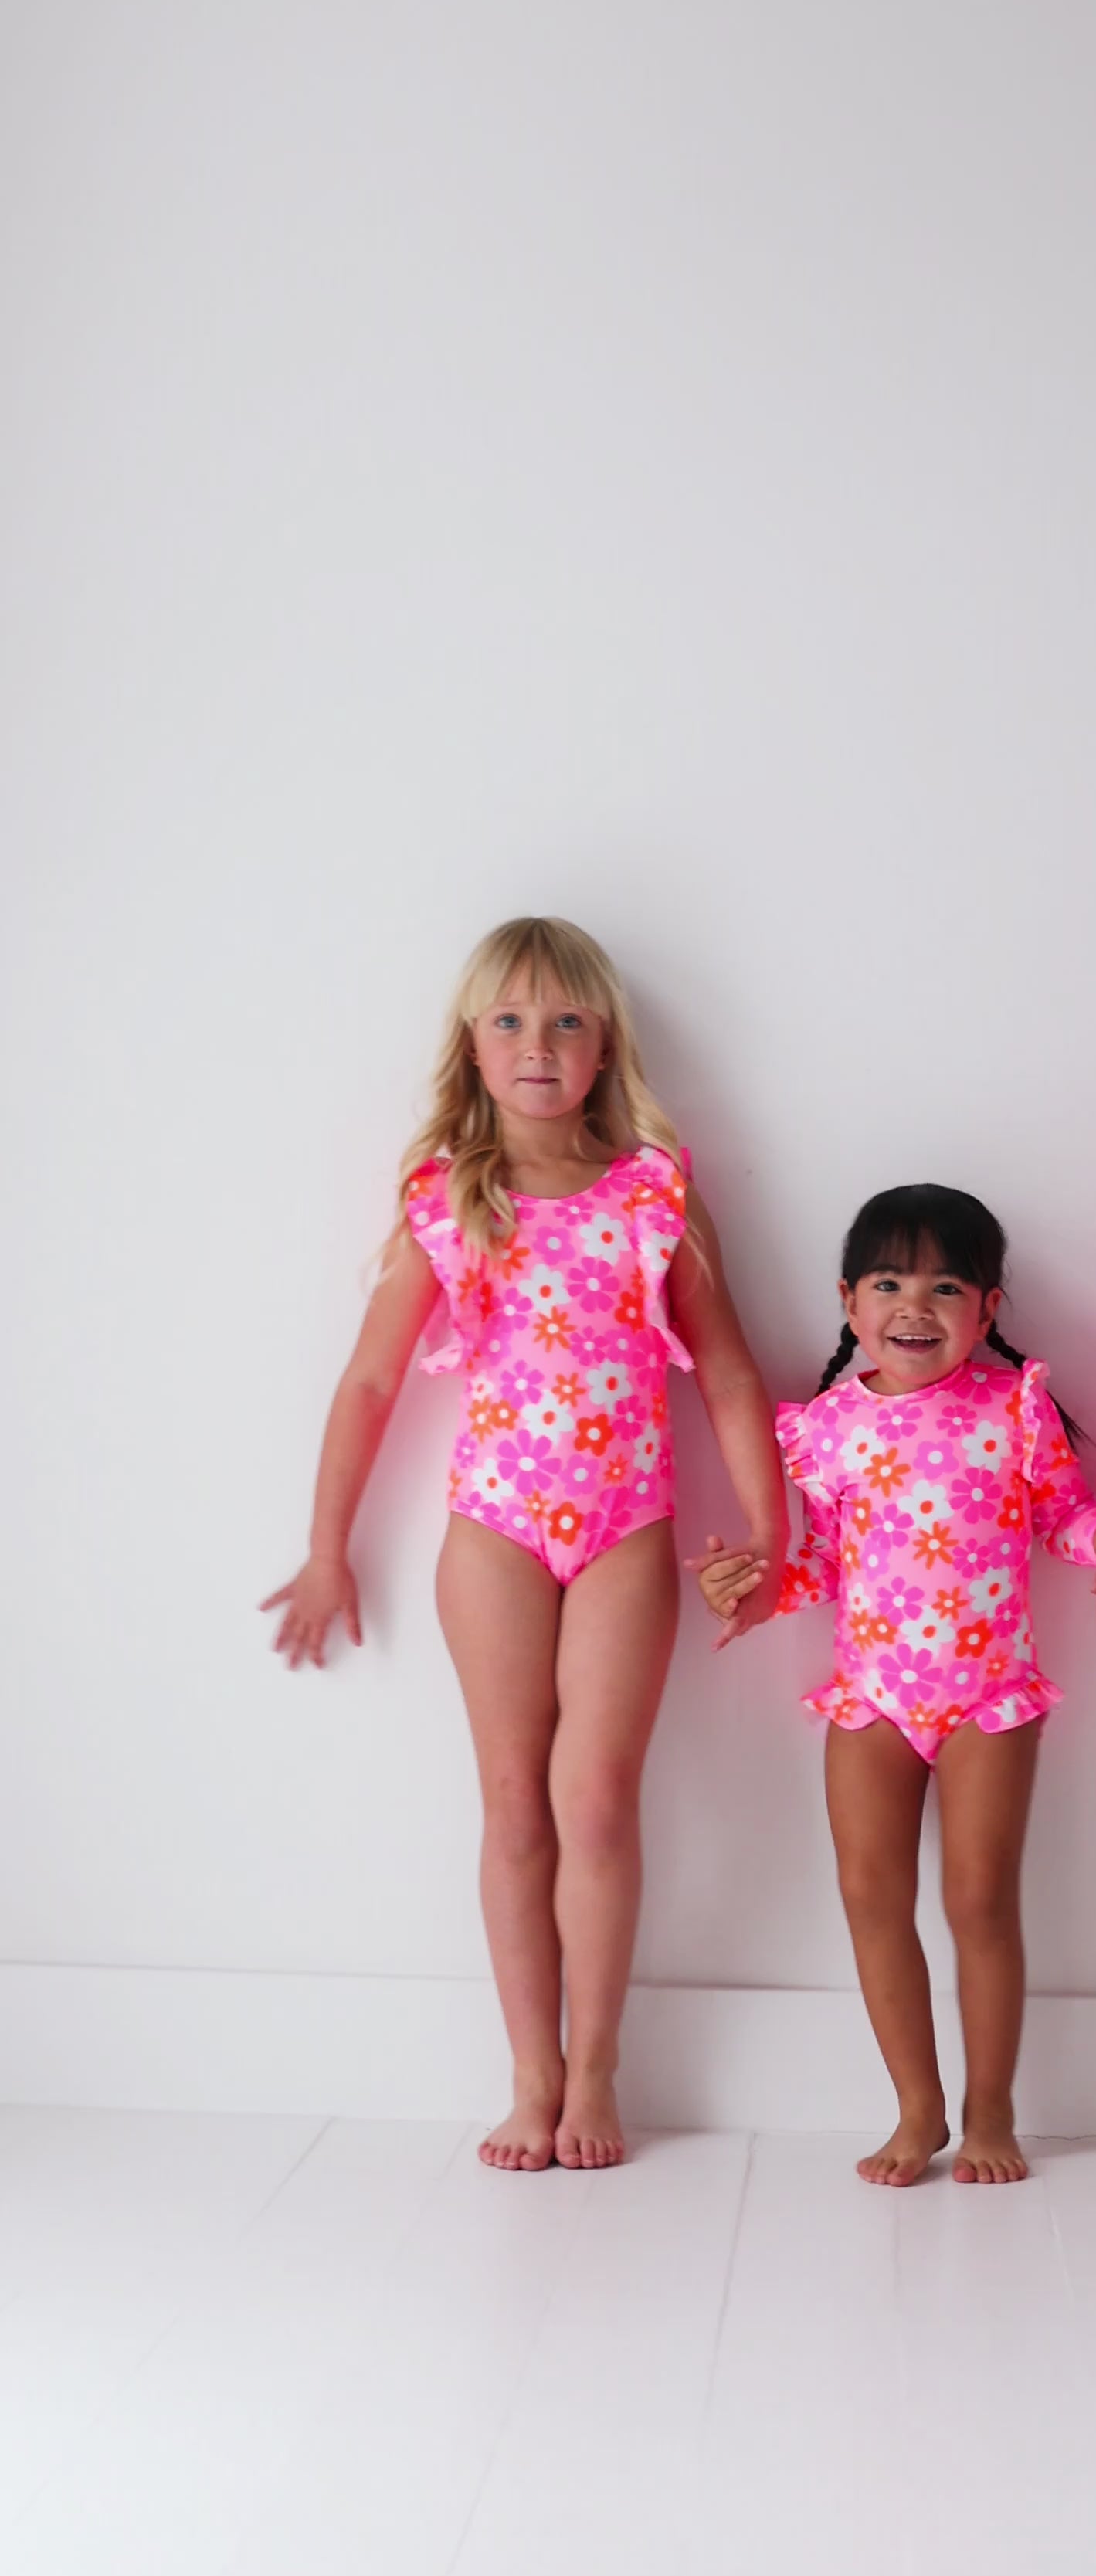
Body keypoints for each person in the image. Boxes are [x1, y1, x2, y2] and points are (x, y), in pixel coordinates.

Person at [263, 916, 786, 2172]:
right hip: (494, 1529)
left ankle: (595, 2068)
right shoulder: (453, 1198)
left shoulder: (656, 1194)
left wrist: (775, 1534)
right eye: (509, 1021)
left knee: (594, 1800)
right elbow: (371, 1382)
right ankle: (530, 2074)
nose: (537, 1044)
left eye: (565, 1021)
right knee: (512, 1802)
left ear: (605, 1047)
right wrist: (328, 1548)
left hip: (626, 1529)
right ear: (473, 1046)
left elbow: (727, 1375)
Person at [697, 1184, 1096, 2188]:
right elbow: (825, 1562)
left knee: (979, 1901)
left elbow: (1062, 1515)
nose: (914, 1307)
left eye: (945, 1288)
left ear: (988, 1308)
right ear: (848, 1301)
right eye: (888, 1284)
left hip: (988, 1700)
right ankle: (917, 2109)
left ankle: (991, 2111)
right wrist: (753, 1591)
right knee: (870, 1898)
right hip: (872, 1698)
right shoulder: (828, 1426)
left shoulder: (1012, 1409)